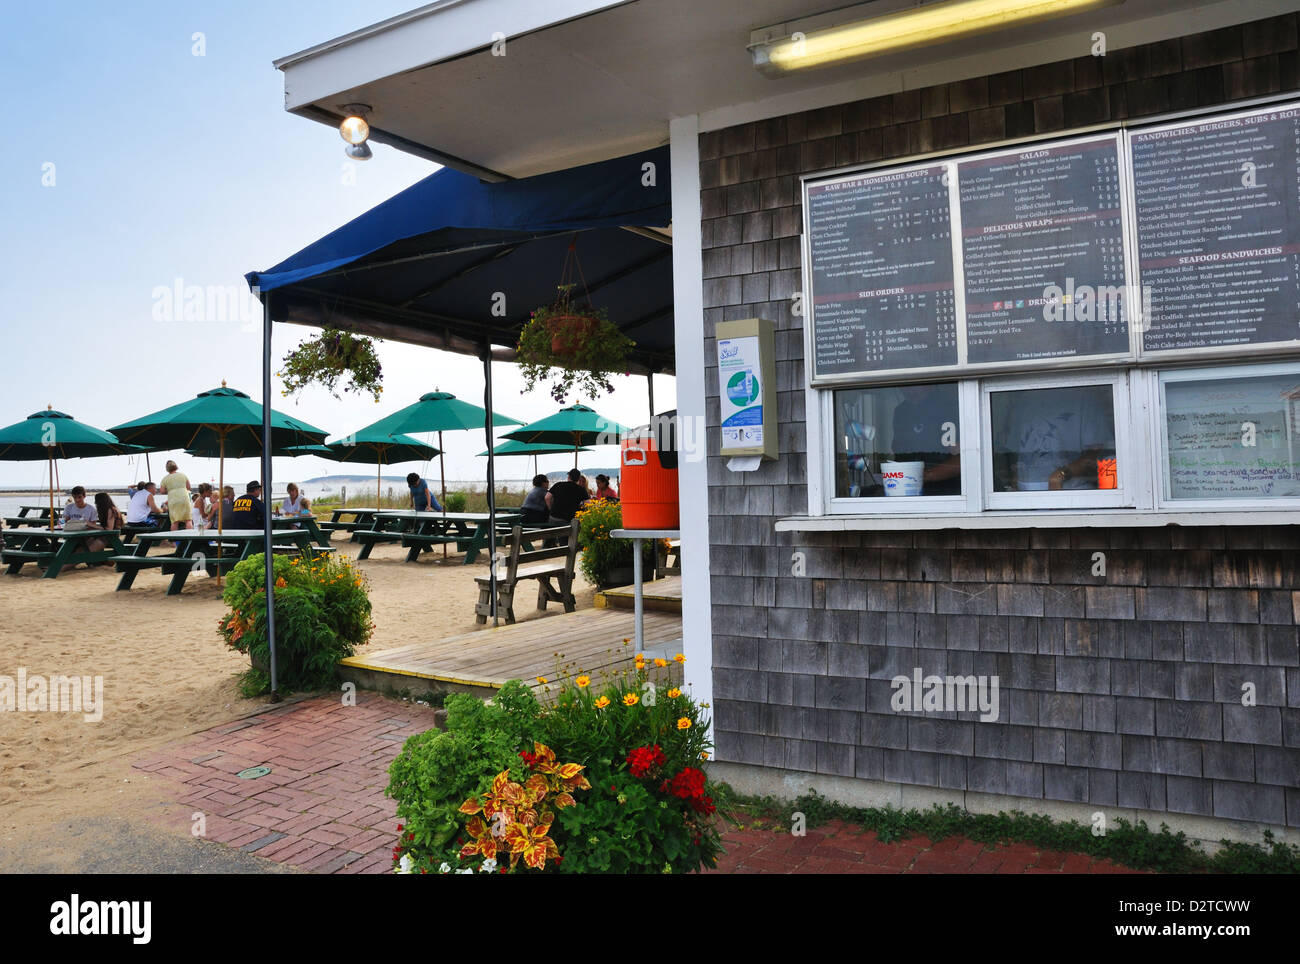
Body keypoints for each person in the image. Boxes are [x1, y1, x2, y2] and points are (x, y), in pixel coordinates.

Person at [889, 385, 962, 496]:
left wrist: (926, 475)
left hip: (948, 493)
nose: (909, 390)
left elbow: (961, 460)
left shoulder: (948, 408)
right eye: (903, 386)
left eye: (914, 386)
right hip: (908, 491)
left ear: (928, 385)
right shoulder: (901, 412)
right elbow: (899, 452)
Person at [158, 460, 192, 530]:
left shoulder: (165, 479)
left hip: (173, 500)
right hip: (184, 498)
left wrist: (170, 490)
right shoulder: (183, 475)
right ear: (176, 466)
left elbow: (162, 491)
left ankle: (174, 540)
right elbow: (189, 487)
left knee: (174, 521)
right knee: (188, 519)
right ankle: (190, 538)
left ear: (167, 469)